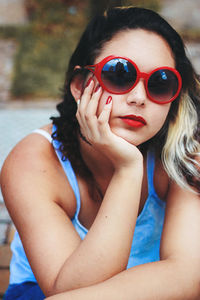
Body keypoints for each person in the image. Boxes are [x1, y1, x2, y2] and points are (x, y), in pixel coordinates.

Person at [1, 6, 200, 300]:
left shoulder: (184, 152)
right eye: (120, 75)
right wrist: (128, 169)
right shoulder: (34, 161)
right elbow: (68, 287)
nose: (138, 98)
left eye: (159, 83)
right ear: (81, 85)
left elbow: (186, 276)